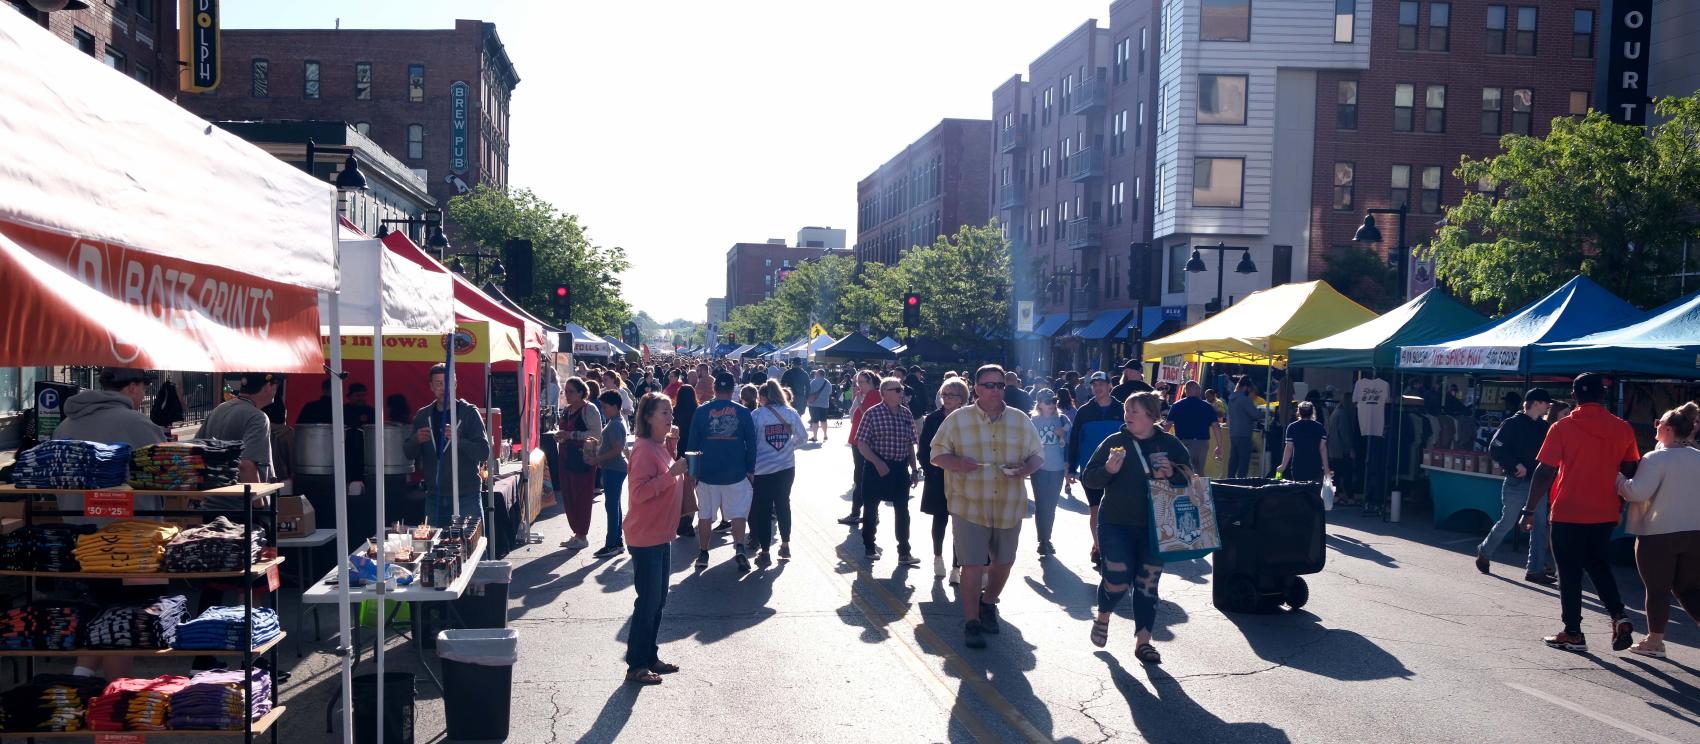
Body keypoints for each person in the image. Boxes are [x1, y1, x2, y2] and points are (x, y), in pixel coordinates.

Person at [53, 368, 167, 682]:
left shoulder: (66, 424)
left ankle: (80, 683)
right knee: (122, 622)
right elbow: (169, 478)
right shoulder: (139, 424)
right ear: (131, 386)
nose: (144, 395)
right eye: (143, 387)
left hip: (79, 538)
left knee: (99, 612)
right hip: (128, 541)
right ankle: (117, 700)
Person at [1520, 373, 1640, 652]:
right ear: (1602, 395)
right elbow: (1631, 467)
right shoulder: (1622, 428)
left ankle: (1573, 632)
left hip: (1568, 510)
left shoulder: (1562, 428)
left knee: (1569, 572)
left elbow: (1545, 471)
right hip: (1605, 511)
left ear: (1574, 396)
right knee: (1598, 564)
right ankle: (1619, 616)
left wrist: (1529, 509)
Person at [930, 365, 1044, 649]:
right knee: (972, 564)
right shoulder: (957, 420)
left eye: (1000, 385)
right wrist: (958, 464)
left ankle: (988, 602)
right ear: (977, 388)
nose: (995, 390)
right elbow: (936, 454)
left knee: (1003, 562)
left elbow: (1038, 455)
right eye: (989, 385)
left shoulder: (1020, 420)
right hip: (969, 503)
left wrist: (1024, 469)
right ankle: (971, 622)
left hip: (1008, 504)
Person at [1081, 391, 1191, 664]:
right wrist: (1108, 470)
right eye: (1127, 411)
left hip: (1156, 526)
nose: (1127, 416)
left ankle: (1143, 643)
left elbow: (1190, 479)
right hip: (1116, 522)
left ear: (1152, 417)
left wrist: (1173, 473)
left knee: (1147, 584)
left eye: (1134, 412)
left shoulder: (1170, 444)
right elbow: (1090, 479)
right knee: (1117, 581)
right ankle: (1104, 614)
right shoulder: (1115, 442)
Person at [1616, 402, 1700, 658]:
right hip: (1695, 533)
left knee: (1657, 589)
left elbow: (1636, 491)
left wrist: (1618, 478)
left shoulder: (1656, 458)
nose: (1656, 426)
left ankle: (1655, 641)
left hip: (1658, 533)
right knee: (1689, 588)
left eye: (1659, 423)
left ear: (1669, 429)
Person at [623, 392, 686, 685]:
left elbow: (667, 476)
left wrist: (671, 446)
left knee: (657, 601)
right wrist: (672, 474)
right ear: (648, 417)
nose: (670, 417)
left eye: (670, 412)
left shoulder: (659, 446)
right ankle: (636, 664)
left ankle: (649, 657)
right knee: (648, 602)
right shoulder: (644, 449)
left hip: (660, 534)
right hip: (646, 536)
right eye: (664, 412)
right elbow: (639, 493)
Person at [399, 364, 491, 528]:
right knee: (436, 548)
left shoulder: (469, 413)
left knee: (471, 546)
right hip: (434, 496)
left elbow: (484, 452)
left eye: (448, 383)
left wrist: (459, 441)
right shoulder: (423, 415)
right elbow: (408, 453)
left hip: (466, 494)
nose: (444, 388)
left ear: (455, 385)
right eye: (439, 383)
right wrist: (416, 440)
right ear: (431, 387)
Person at [1478, 389, 1555, 582]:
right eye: (1546, 403)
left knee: (1538, 525)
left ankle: (1534, 570)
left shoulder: (1545, 427)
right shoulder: (1512, 423)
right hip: (1517, 481)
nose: (1548, 407)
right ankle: (1485, 551)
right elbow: (1495, 448)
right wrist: (1514, 464)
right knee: (1509, 520)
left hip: (1538, 483)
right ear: (1536, 403)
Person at [687, 371, 758, 571]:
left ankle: (703, 553)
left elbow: (692, 443)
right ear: (732, 389)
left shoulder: (701, 411)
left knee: (705, 515)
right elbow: (751, 444)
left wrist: (692, 472)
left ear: (714, 388)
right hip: (735, 472)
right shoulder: (743, 412)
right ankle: (740, 547)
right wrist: (750, 469)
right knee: (738, 514)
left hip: (707, 472)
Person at [855, 376, 921, 564]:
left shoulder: (906, 414)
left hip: (899, 469)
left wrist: (914, 470)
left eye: (901, 389)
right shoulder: (872, 413)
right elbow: (862, 444)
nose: (901, 393)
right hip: (876, 468)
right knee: (870, 509)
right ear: (884, 393)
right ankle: (869, 546)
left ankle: (904, 552)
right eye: (897, 390)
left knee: (903, 510)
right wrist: (878, 462)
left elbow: (910, 445)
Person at [196, 372, 281, 510]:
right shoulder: (258, 417)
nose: (276, 391)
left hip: (211, 505)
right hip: (241, 508)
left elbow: (196, 453)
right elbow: (246, 465)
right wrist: (258, 505)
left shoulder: (218, 410)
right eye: (276, 386)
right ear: (267, 386)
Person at [1068, 371, 1123, 572]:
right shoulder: (1084, 411)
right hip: (1091, 470)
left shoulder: (1121, 408)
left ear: (1110, 385)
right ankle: (1100, 548)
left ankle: (1112, 547)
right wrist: (1071, 468)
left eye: (1101, 384)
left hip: (1119, 469)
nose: (1097, 387)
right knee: (1096, 510)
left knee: (1116, 510)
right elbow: (1074, 440)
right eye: (1094, 384)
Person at [750, 380, 806, 564]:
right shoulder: (790, 413)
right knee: (783, 504)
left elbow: (750, 443)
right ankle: (785, 544)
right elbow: (803, 438)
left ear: (765, 397)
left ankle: (765, 551)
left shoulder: (757, 415)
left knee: (764, 509)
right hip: (786, 467)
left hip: (762, 469)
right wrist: (788, 448)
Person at [920, 377, 969, 583]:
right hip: (937, 476)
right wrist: (930, 471)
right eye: (944, 394)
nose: (946, 399)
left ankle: (956, 567)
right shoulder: (932, 419)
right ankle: (937, 556)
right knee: (939, 518)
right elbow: (923, 450)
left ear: (962, 398)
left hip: (963, 478)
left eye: (951, 395)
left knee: (960, 523)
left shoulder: (969, 419)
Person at [551, 377, 602, 549]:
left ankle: (582, 534)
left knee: (582, 496)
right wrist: (560, 436)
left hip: (583, 458)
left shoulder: (590, 409)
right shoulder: (566, 410)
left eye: (571, 391)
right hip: (565, 457)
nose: (567, 395)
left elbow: (596, 433)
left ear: (581, 392)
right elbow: (564, 431)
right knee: (569, 496)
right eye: (565, 391)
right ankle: (576, 533)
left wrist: (570, 435)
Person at [1029, 389, 1071, 558]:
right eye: (1048, 402)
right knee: (1041, 505)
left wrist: (1062, 436)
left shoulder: (1062, 419)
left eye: (1054, 401)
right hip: (1038, 468)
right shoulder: (1032, 421)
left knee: (1051, 506)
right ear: (1039, 403)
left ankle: (1047, 539)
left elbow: (1068, 443)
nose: (1052, 404)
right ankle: (1043, 541)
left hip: (1057, 468)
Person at [590, 390, 631, 559]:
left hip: (614, 468)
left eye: (605, 407)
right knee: (614, 506)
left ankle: (612, 543)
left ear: (615, 406)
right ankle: (616, 541)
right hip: (613, 468)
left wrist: (597, 458)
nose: (603, 410)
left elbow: (616, 449)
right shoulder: (615, 421)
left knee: (612, 507)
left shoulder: (615, 424)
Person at [839, 370, 882, 525]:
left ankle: (858, 513)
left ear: (871, 382)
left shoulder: (875, 395)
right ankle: (867, 513)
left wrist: (858, 400)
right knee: (861, 478)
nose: (859, 385)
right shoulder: (867, 395)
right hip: (858, 440)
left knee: (861, 479)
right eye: (858, 382)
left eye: (862, 382)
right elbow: (853, 416)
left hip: (864, 442)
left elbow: (868, 416)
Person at [1167, 381, 1220, 470]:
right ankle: (1199, 484)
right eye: (1199, 389)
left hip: (1182, 443)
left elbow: (1167, 426)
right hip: (1201, 444)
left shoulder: (1177, 405)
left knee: (1183, 470)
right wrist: (1219, 445)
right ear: (1197, 390)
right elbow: (1216, 426)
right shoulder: (1207, 406)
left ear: (1186, 391)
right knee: (1199, 471)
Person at [672, 385, 700, 538]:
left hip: (677, 453)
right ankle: (688, 522)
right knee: (692, 488)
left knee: (678, 488)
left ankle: (679, 519)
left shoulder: (674, 411)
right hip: (694, 454)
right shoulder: (698, 411)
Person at [1278, 401, 1330, 483]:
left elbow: (1289, 448)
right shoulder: (1319, 427)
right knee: (1313, 492)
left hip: (1298, 466)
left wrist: (1282, 466)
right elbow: (1322, 449)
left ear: (1298, 412)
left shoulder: (1292, 427)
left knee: (1300, 492)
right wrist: (1326, 468)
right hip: (1315, 466)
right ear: (1312, 412)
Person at [1226, 378, 1261, 479]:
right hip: (1244, 433)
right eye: (1249, 389)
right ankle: (1241, 481)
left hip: (1233, 433)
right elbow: (1255, 414)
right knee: (1243, 460)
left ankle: (1229, 480)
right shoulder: (1244, 399)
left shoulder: (1231, 399)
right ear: (1246, 387)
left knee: (1234, 459)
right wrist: (1266, 413)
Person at [806, 369, 834, 443]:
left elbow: (809, 392)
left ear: (818, 374)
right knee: (824, 421)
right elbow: (830, 393)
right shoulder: (828, 383)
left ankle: (815, 437)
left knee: (815, 421)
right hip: (825, 404)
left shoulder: (813, 382)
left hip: (814, 404)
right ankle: (825, 435)